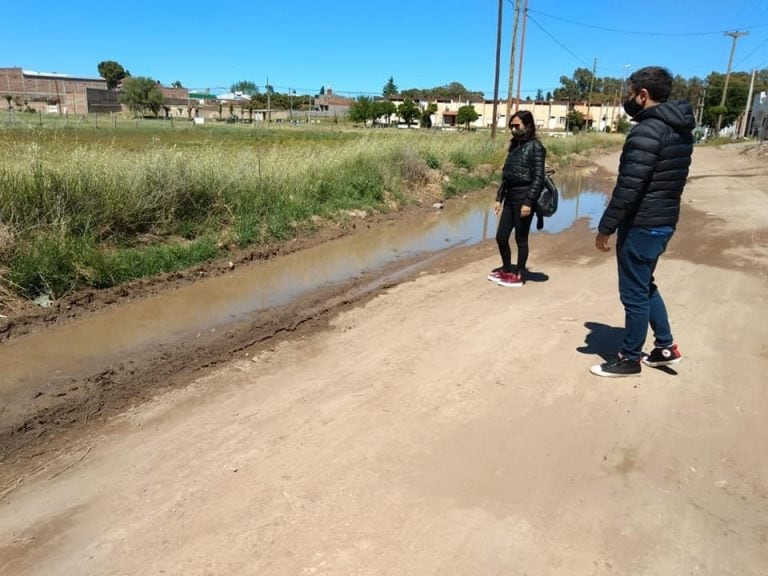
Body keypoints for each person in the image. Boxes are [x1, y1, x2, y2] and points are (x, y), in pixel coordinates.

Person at [590, 66, 695, 377]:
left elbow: (630, 186)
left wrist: (605, 227)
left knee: (633, 293)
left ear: (643, 95)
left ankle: (629, 358)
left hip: (642, 223)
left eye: (631, 93)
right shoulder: (680, 128)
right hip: (664, 221)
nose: (629, 99)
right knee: (645, 285)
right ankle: (665, 347)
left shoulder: (647, 130)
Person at [488, 110, 546, 288]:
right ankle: (506, 268)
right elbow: (506, 176)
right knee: (501, 236)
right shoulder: (514, 147)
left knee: (521, 238)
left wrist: (529, 202)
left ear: (528, 125)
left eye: (517, 125)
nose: (514, 129)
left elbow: (538, 178)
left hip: (524, 196)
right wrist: (499, 198)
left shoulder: (536, 147)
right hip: (510, 197)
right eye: (511, 126)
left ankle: (519, 274)